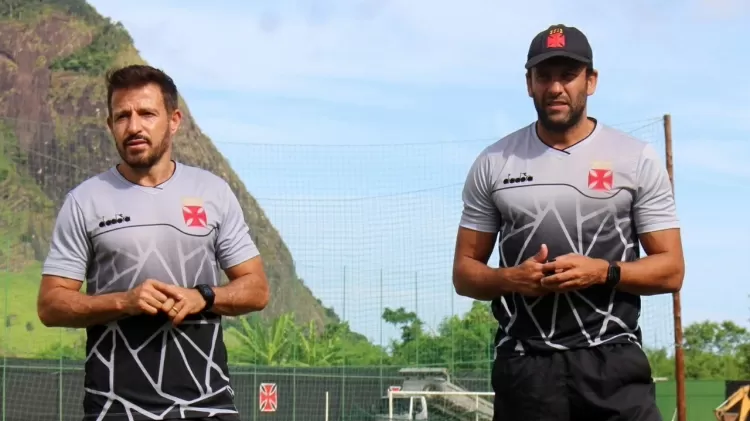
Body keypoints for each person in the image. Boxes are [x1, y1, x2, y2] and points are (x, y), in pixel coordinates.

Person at [452, 24, 684, 421]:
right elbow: (464, 273)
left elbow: (671, 270)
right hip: (526, 366)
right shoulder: (494, 163)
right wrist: (511, 279)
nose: (556, 87)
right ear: (529, 84)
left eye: (568, 75)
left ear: (590, 81)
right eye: (544, 76)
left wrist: (603, 272)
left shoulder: (635, 159)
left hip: (612, 362)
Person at [36, 64, 270, 421]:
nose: (133, 127)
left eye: (146, 114)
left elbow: (256, 289)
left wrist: (203, 296)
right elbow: (50, 305)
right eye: (122, 116)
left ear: (174, 121)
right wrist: (124, 301)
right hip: (114, 408)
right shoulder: (84, 201)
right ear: (110, 125)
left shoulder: (213, 192)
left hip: (206, 406)